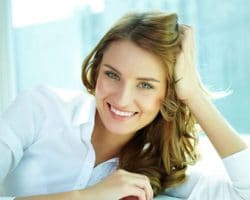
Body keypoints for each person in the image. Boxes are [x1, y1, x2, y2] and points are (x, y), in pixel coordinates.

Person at [0, 11, 249, 200]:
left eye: (146, 85)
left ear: (168, 93)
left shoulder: (156, 165)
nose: (121, 99)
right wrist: (89, 196)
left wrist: (194, 94)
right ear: (96, 71)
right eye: (112, 75)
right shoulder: (39, 108)